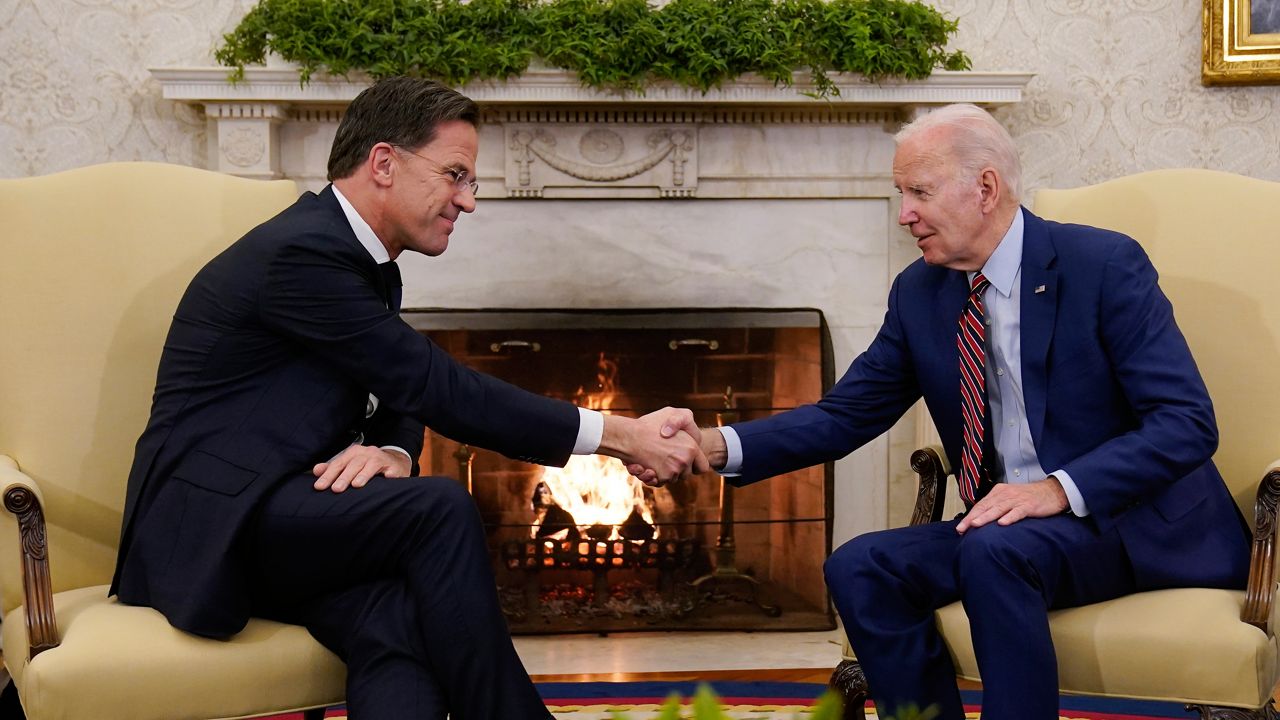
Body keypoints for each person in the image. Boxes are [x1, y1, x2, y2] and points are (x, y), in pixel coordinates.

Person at [110, 77, 706, 720]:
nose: (468, 202)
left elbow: (397, 388)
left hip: (283, 512)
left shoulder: (362, 261)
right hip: (210, 527)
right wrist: (621, 437)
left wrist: (392, 449)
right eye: (455, 175)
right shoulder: (301, 256)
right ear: (385, 163)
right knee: (437, 508)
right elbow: (433, 384)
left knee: (394, 623)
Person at [639, 103, 1250, 719]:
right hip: (1011, 533)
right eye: (900, 193)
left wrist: (1055, 491)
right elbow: (845, 414)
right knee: (860, 566)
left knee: (995, 550)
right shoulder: (920, 292)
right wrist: (712, 446)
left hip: (1129, 525)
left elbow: (1185, 421)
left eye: (918, 193)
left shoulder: (1104, 266)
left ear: (984, 188)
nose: (904, 214)